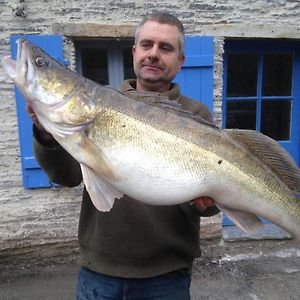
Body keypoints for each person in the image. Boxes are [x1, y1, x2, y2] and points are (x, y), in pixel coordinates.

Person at [27, 12, 219, 300]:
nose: (153, 54)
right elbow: (66, 176)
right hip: (99, 273)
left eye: (165, 48)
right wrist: (46, 135)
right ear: (134, 52)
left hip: (167, 277)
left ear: (180, 61)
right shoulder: (96, 105)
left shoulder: (197, 115)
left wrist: (206, 205)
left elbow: (212, 199)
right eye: (147, 45)